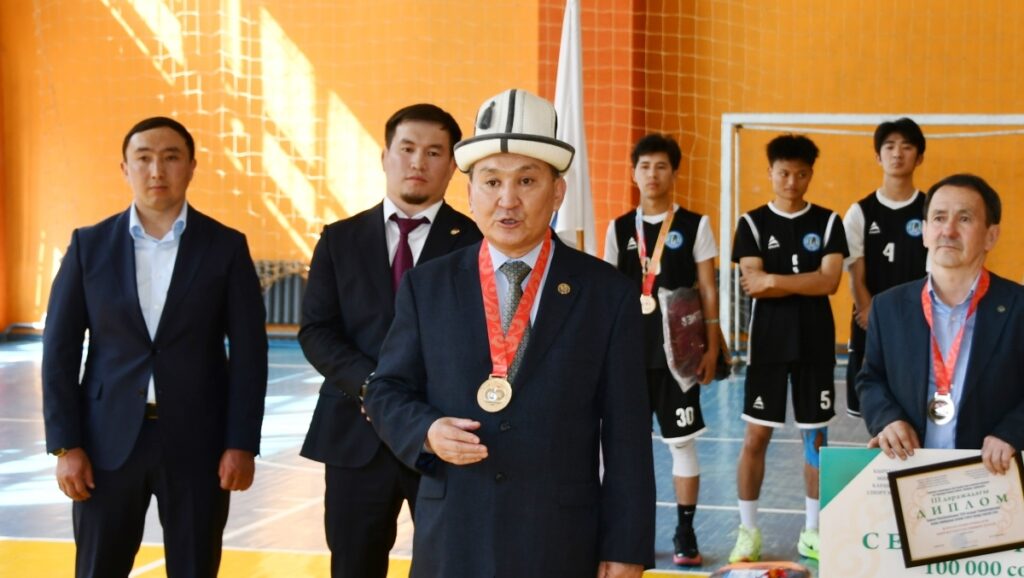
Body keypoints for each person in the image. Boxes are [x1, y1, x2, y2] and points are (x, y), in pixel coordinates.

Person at [364, 88, 655, 577]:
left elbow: (627, 433)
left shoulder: (607, 294)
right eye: (492, 181)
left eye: (527, 180)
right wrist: (426, 431)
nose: (508, 200)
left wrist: (627, 547)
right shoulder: (426, 286)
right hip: (453, 536)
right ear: (469, 192)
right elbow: (386, 389)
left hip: (559, 541)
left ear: (557, 192)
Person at [42, 116, 268, 578]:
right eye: (143, 158)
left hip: (199, 444)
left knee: (194, 567)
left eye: (170, 158)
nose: (156, 171)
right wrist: (66, 446)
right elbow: (59, 353)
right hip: (105, 444)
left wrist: (241, 443)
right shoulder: (88, 246)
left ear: (192, 167)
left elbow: (250, 356)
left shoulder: (225, 247)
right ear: (124, 168)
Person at [298, 103, 481, 577]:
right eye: (407, 148)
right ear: (385, 156)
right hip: (354, 436)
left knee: (448, 566)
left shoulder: (475, 243)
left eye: (434, 152)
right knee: (353, 565)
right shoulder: (339, 239)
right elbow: (316, 330)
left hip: (441, 433)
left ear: (452, 165)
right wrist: (373, 388)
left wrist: (410, 406)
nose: (418, 162)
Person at [604, 133, 723, 567]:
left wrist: (712, 344)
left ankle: (685, 530)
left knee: (681, 444)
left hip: (680, 356)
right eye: (644, 166)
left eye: (661, 166)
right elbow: (608, 293)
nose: (652, 174)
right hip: (628, 356)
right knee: (625, 450)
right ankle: (629, 532)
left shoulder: (695, 225)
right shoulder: (619, 228)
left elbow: (707, 288)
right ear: (633, 173)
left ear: (674, 173)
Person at [729, 134, 848, 563]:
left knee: (816, 437)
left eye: (800, 174)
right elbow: (752, 283)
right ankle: (748, 531)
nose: (792, 182)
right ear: (770, 173)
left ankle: (812, 531)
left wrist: (774, 281)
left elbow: (830, 282)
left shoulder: (830, 222)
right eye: (783, 173)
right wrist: (801, 282)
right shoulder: (752, 223)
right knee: (755, 437)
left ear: (810, 175)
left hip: (815, 344)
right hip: (768, 346)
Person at [858, 174, 1024, 476]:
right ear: (924, 232)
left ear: (991, 235)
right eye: (938, 218)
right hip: (911, 472)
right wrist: (888, 420)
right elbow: (871, 379)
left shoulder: (1018, 307)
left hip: (989, 478)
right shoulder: (888, 307)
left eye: (964, 219)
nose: (948, 230)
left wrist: (1012, 431)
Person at [843, 118, 929, 418]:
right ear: (878, 156)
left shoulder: (930, 209)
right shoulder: (860, 211)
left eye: (906, 147)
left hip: (919, 319)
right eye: (889, 147)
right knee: (870, 409)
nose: (897, 153)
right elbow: (855, 272)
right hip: (871, 319)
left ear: (919, 157)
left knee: (918, 405)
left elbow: (935, 273)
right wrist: (867, 309)